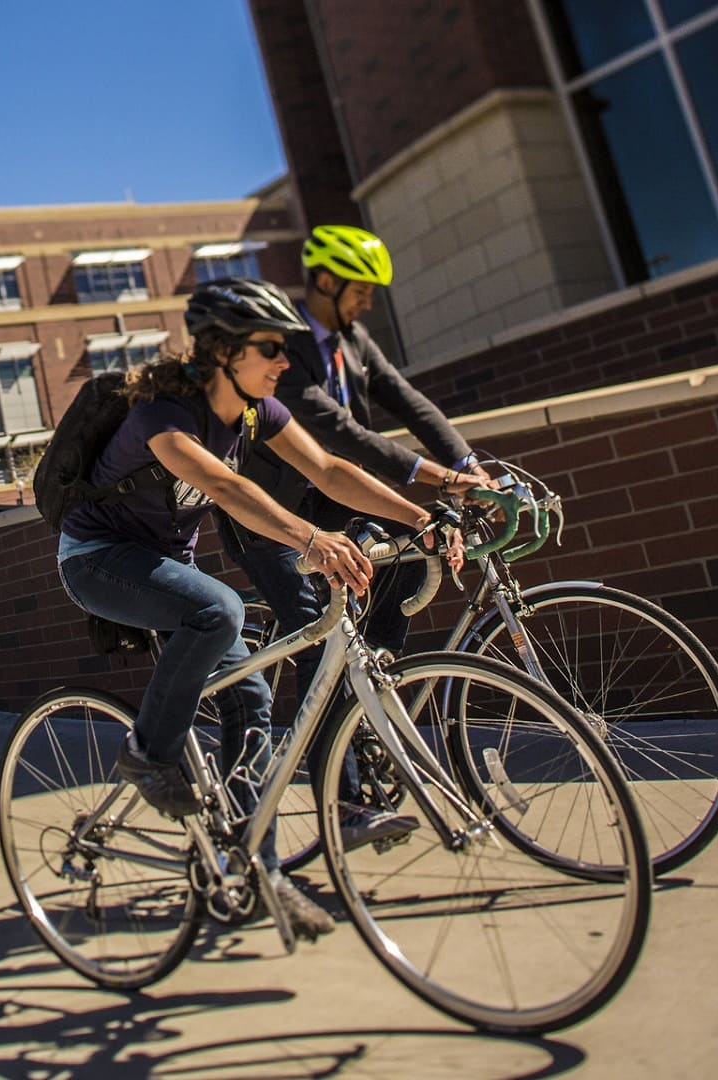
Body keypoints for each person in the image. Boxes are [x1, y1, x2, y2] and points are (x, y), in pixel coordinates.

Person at [54, 278, 461, 942]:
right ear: (224, 351)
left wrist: (421, 518)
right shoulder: (162, 412)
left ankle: (256, 871)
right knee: (220, 611)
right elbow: (223, 484)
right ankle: (148, 753)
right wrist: (311, 538)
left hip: (167, 567)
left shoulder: (256, 411)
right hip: (97, 559)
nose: (283, 360)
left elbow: (328, 469)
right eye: (270, 347)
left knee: (251, 699)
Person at [231, 225, 493, 663]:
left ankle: (376, 668)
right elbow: (341, 432)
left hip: (333, 494)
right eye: (361, 291)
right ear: (326, 281)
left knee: (413, 542)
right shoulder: (281, 347)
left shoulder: (353, 339)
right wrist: (443, 478)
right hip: (268, 511)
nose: (368, 303)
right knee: (315, 636)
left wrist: (467, 465)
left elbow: (408, 401)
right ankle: (332, 697)